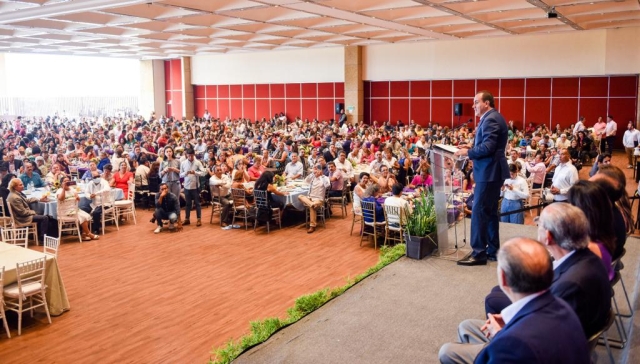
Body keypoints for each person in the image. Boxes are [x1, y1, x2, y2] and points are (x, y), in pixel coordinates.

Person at [439, 237, 590, 364]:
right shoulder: (561, 304)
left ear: (503, 279)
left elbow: (515, 345)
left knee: (446, 352)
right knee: (466, 326)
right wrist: (509, 325)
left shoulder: (512, 344)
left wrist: (501, 335)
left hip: (518, 350)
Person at [484, 204, 611, 340]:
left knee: (492, 299)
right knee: (498, 291)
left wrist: (500, 334)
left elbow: (542, 334)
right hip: (574, 327)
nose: (537, 228)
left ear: (548, 236)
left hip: (545, 347)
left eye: (539, 224)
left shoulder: (570, 285)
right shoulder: (590, 257)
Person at [455, 91, 509, 266]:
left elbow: (489, 147)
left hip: (489, 172)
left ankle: (478, 253)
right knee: (490, 212)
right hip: (491, 171)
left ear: (486, 102)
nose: (473, 106)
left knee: (478, 212)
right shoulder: (493, 117)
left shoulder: (491, 118)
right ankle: (493, 250)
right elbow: (487, 144)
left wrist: (468, 152)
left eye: (476, 102)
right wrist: (470, 146)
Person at [567, 180, 616, 280]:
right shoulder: (601, 231)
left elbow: (571, 281)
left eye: (571, 204)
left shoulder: (590, 247)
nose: (568, 209)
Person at [7, 177, 49, 243]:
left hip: (21, 216)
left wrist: (39, 199)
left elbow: (26, 200)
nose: (23, 186)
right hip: (22, 218)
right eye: (20, 185)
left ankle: (36, 235)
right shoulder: (15, 197)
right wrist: (34, 212)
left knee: (41, 214)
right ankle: (42, 239)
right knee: (44, 217)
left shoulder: (14, 194)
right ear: (15, 187)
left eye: (22, 184)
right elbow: (23, 213)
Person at [57, 176, 99, 241]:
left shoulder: (72, 189)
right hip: (64, 211)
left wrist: (77, 197)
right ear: (61, 183)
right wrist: (63, 189)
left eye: (68, 181)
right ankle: (89, 234)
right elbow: (61, 198)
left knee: (87, 216)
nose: (67, 182)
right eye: (65, 181)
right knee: (82, 217)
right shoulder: (59, 191)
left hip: (74, 210)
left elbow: (77, 197)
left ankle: (84, 235)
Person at [299, 164, 330, 234]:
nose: (315, 172)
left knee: (312, 207)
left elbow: (327, 185)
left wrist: (322, 176)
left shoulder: (325, 178)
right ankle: (312, 204)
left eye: (317, 171)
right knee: (300, 196)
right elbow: (306, 181)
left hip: (319, 200)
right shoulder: (312, 178)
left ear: (321, 171)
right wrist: (313, 173)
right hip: (310, 198)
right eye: (315, 171)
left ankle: (312, 226)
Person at [180, 149, 205, 226]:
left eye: (192, 155)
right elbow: (180, 175)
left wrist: (196, 172)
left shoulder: (198, 163)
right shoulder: (183, 163)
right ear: (186, 155)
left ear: (194, 154)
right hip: (187, 186)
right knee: (188, 204)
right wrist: (186, 173)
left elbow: (203, 172)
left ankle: (199, 219)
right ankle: (187, 219)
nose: (190, 157)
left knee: (197, 203)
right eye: (189, 155)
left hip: (195, 186)